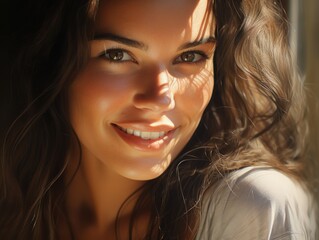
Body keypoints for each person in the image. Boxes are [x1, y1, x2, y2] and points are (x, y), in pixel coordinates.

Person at [0, 0, 317, 239]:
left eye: (190, 56)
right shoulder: (13, 201)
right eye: (117, 55)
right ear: (51, 60)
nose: (160, 97)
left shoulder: (252, 210)